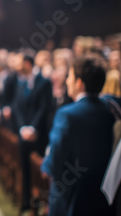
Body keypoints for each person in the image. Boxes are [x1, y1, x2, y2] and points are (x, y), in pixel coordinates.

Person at [42, 56, 115, 216]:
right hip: (102, 192)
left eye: (70, 76)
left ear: (79, 83)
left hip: (70, 195)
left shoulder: (67, 114)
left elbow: (55, 161)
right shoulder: (108, 109)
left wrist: (46, 165)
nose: (67, 81)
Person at [9, 53, 53, 210]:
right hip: (23, 133)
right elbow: (16, 107)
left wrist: (32, 127)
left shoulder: (44, 82)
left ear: (27, 64)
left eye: (19, 63)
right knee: (25, 168)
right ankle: (25, 202)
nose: (16, 66)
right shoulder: (20, 82)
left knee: (38, 170)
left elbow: (44, 108)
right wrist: (22, 128)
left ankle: (39, 203)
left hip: (38, 134)